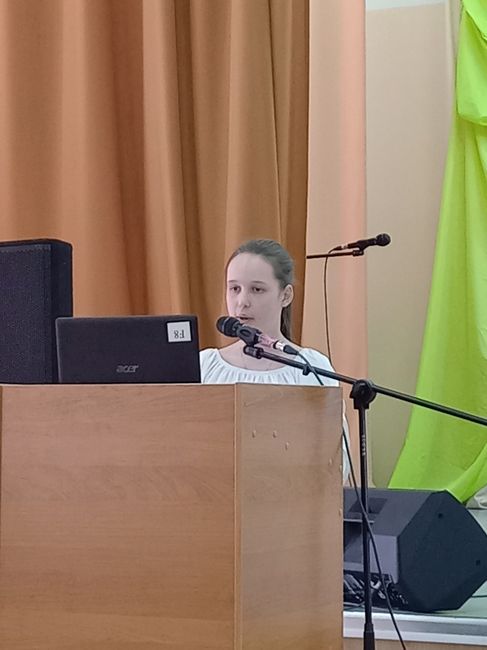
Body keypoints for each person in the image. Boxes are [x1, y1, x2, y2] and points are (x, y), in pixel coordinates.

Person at [199, 238, 350, 482]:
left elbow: (336, 461)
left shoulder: (311, 367)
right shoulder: (204, 366)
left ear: (285, 295)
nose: (242, 302)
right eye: (234, 288)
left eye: (257, 289)